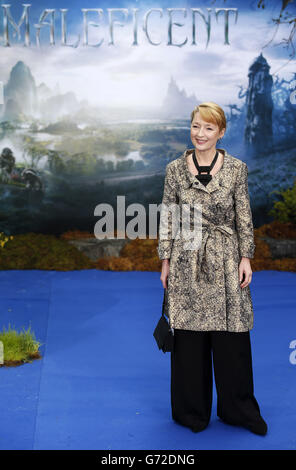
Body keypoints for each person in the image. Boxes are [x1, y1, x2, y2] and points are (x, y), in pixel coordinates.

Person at [157, 102, 268, 436]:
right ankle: (192, 412)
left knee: (232, 335)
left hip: (225, 257)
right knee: (189, 337)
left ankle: (239, 410)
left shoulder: (236, 169)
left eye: (208, 128)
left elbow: (244, 215)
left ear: (220, 132)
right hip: (186, 258)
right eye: (195, 126)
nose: (200, 134)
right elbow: (167, 217)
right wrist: (165, 259)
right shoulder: (175, 170)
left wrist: (246, 256)